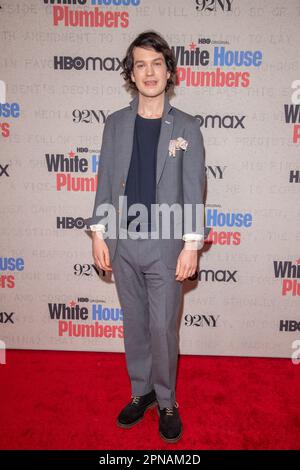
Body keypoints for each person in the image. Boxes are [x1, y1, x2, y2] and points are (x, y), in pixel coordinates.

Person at [84, 30, 206, 444]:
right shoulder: (115, 123)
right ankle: (142, 392)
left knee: (162, 329)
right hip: (122, 241)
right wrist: (98, 233)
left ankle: (167, 400)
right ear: (131, 73)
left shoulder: (186, 126)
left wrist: (191, 245)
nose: (149, 72)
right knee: (134, 324)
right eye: (140, 64)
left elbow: (193, 189)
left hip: (167, 244)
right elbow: (104, 181)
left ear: (169, 71)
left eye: (157, 63)